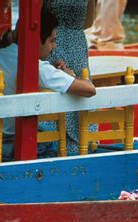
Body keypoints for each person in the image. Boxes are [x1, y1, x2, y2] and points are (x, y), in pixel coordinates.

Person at [0, 8, 96, 158]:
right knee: (52, 140)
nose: (54, 46)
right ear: (37, 39)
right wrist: (67, 75)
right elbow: (89, 89)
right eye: (52, 40)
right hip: (4, 143)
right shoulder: (35, 66)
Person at [43, 0, 96, 154]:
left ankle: (64, 143)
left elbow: (88, 21)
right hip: (58, 41)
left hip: (60, 40)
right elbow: (88, 22)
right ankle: (68, 144)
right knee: (62, 88)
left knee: (76, 89)